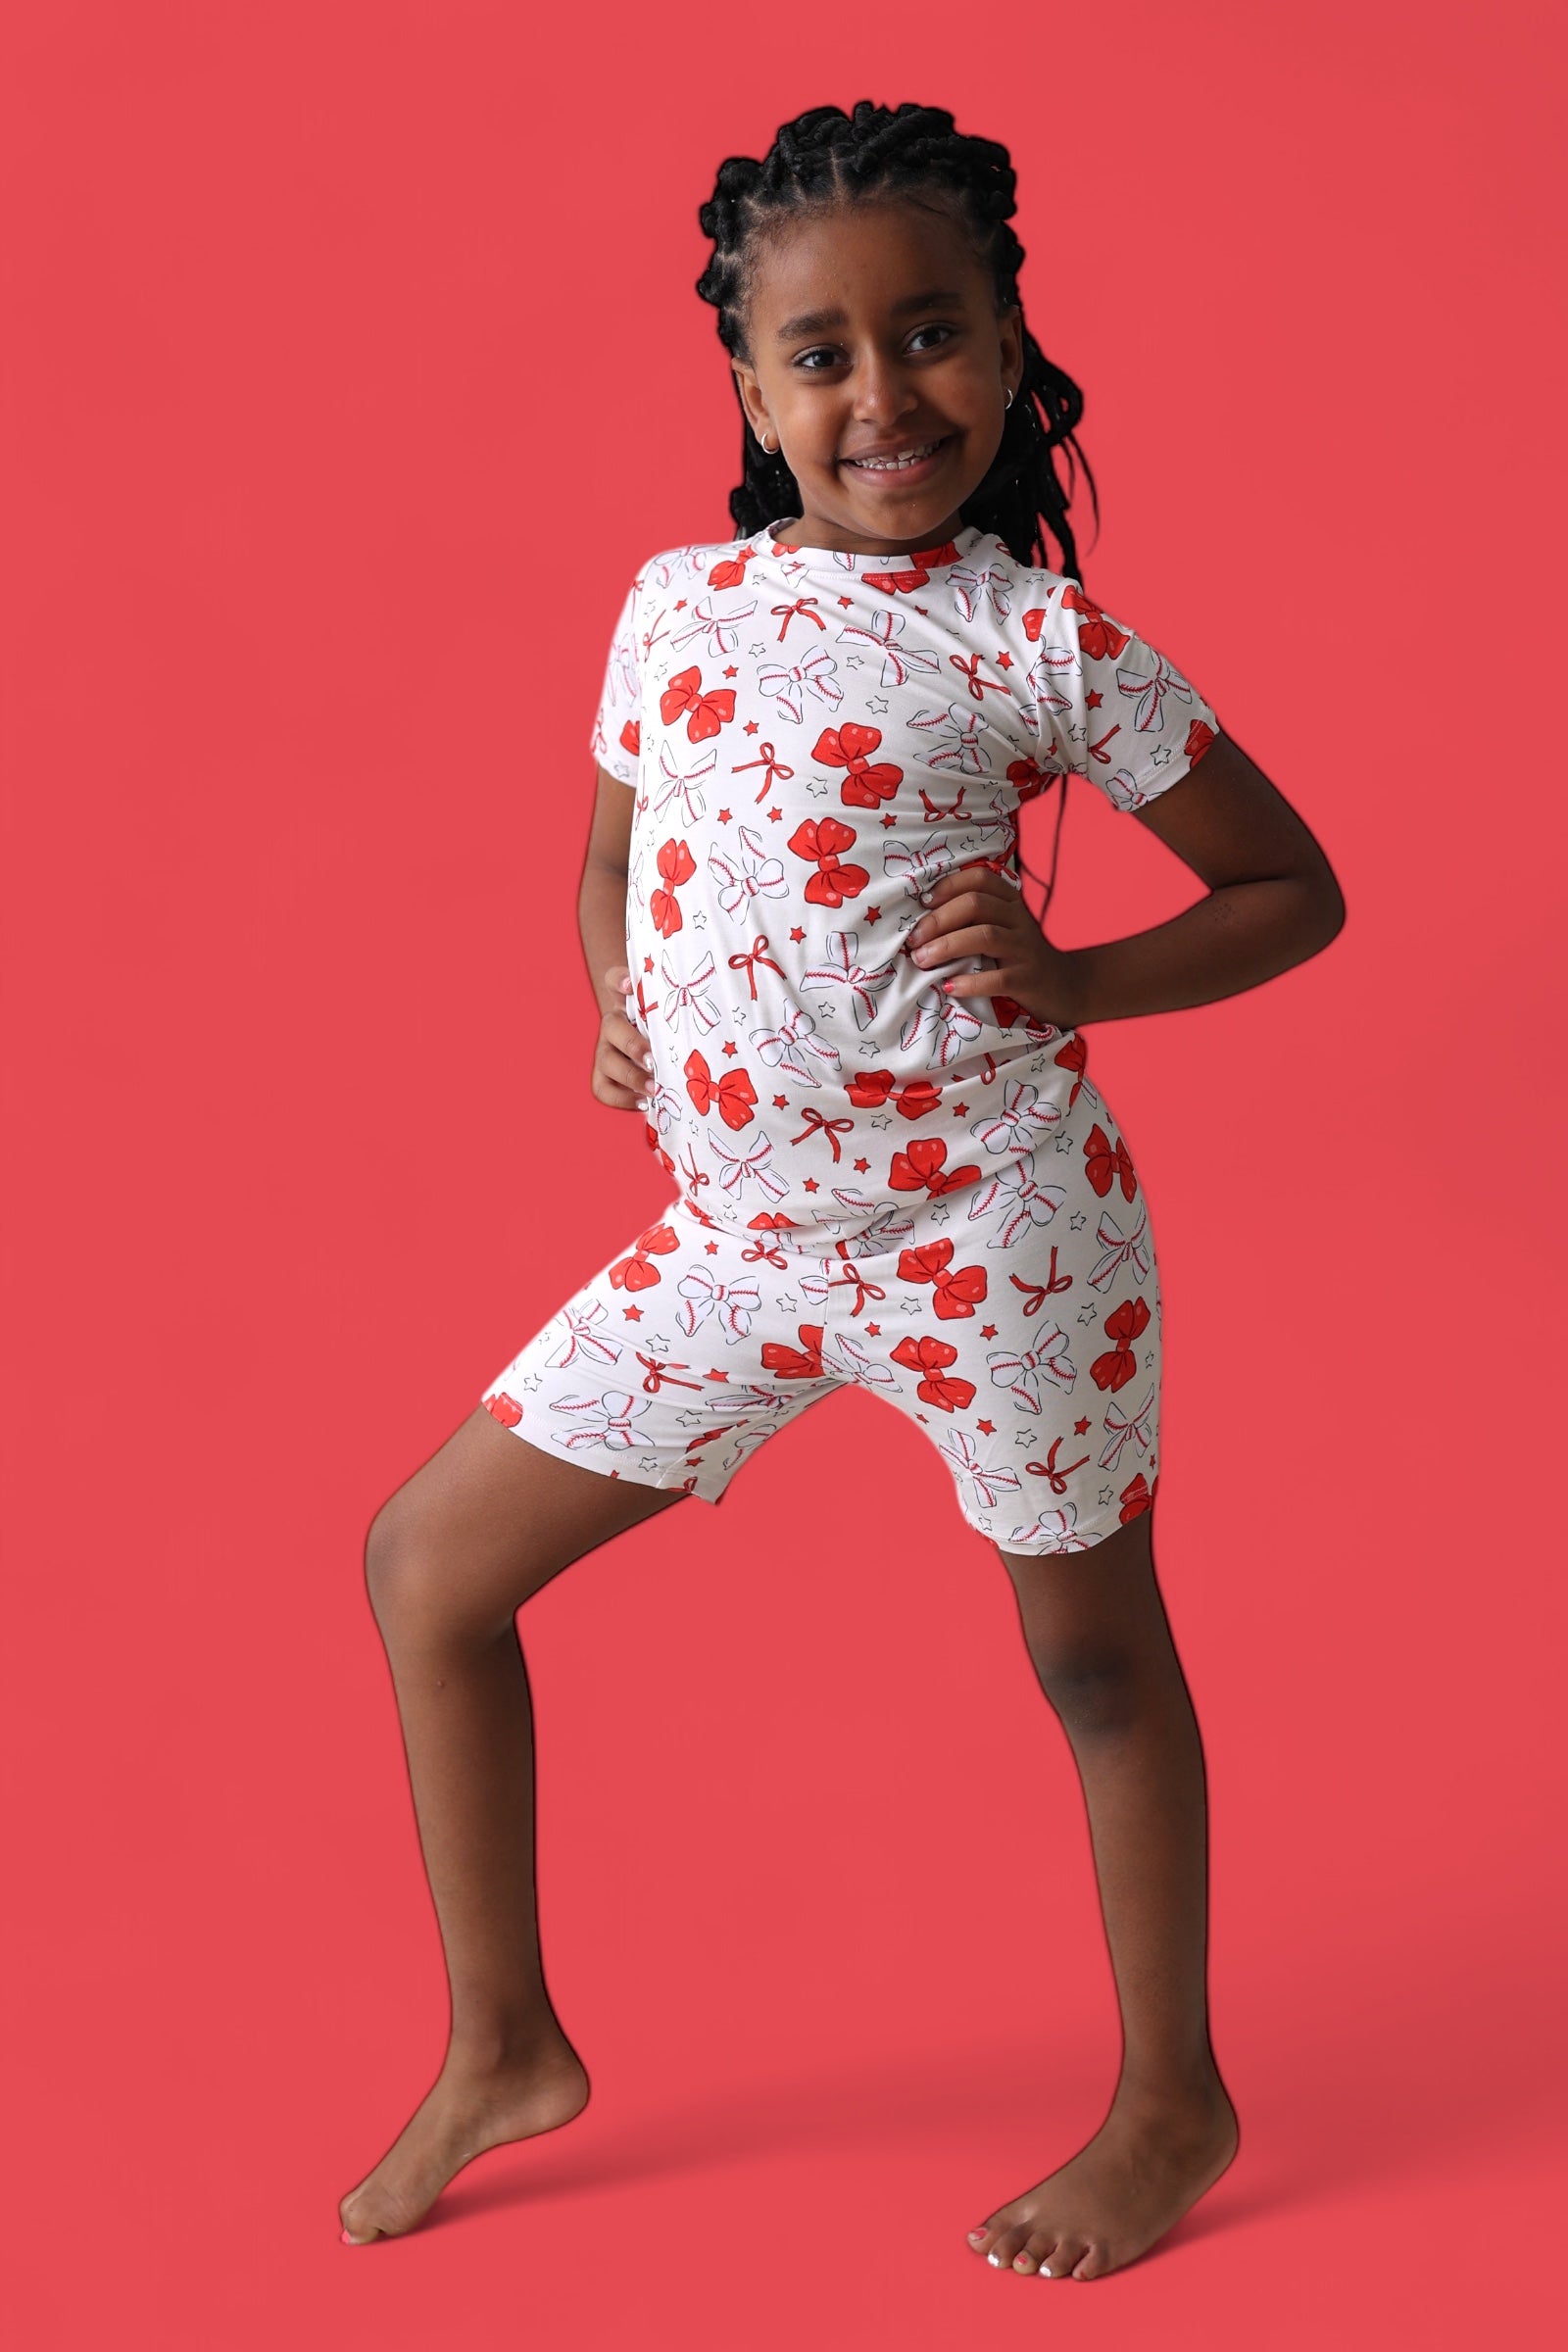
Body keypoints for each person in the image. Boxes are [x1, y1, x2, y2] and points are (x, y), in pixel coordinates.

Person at [339, 99, 1346, 2278]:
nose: (883, 392)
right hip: (739, 1243)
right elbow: (610, 857)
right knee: (427, 1568)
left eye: (931, 334)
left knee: (1093, 1663)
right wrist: (619, 997)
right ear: (747, 388)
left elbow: (1293, 891)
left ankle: (1169, 2099)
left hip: (992, 1233)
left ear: (1009, 347)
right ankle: (504, 2043)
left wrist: (1081, 976)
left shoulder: (1039, 643)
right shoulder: (672, 605)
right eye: (822, 353)